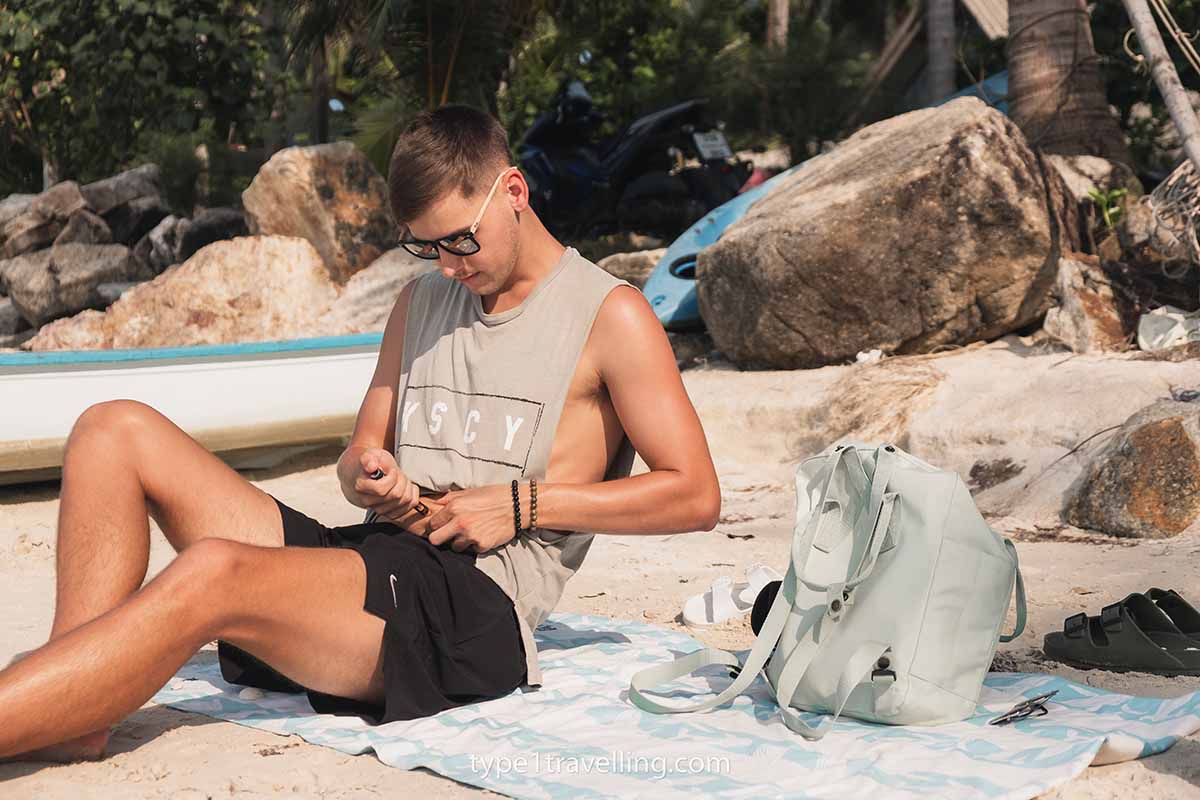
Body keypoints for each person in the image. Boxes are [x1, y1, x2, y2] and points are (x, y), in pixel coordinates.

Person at [0, 104, 722, 763]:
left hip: (472, 610)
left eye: (460, 240)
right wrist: (368, 472)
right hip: (371, 561)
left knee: (213, 572)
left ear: (513, 192)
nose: (447, 264)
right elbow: (358, 459)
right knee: (111, 429)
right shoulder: (421, 302)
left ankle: (43, 708)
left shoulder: (610, 315)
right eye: (426, 247)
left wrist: (522, 505)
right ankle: (74, 707)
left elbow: (694, 495)